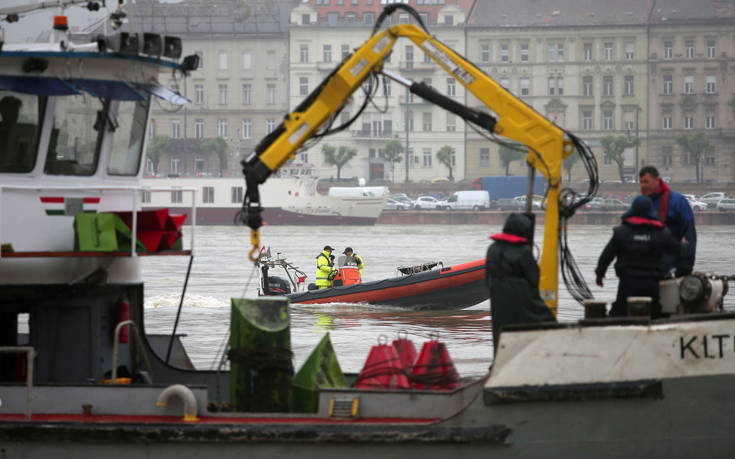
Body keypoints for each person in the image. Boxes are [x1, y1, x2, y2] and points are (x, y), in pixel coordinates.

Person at [595, 195, 687, 318]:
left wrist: (600, 274)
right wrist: (684, 245)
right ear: (650, 211)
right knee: (656, 316)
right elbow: (677, 250)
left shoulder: (621, 232)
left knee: (618, 315)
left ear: (633, 209)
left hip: (627, 285)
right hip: (652, 285)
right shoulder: (661, 233)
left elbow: (606, 256)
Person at [485, 213, 556, 353]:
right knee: (543, 318)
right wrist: (533, 296)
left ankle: (499, 358)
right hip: (520, 292)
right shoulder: (523, 251)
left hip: (497, 293)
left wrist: (494, 290)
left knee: (499, 327)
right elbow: (533, 277)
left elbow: (487, 277)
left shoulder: (492, 248)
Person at [638, 165, 696, 277]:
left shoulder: (677, 201)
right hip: (648, 269)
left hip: (672, 268)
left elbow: (689, 235)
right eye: (641, 182)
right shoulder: (642, 204)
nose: (643, 186)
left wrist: (686, 267)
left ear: (656, 180)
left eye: (646, 182)